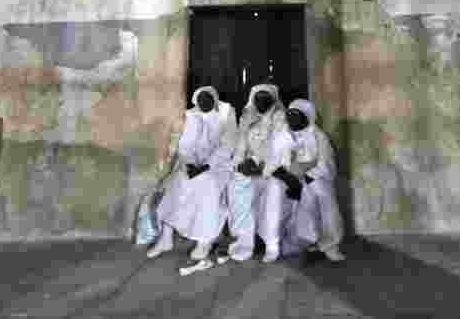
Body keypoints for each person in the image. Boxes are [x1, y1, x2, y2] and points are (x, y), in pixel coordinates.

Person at [147, 86, 237, 261]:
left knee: (207, 184)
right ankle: (166, 237)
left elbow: (227, 145)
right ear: (196, 101)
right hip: (193, 163)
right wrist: (189, 164)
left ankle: (204, 240)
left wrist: (205, 166)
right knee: (177, 181)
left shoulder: (226, 113)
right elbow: (185, 145)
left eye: (209, 99)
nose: (205, 103)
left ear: (215, 100)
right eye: (201, 100)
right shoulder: (191, 116)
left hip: (218, 165)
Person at [260, 98, 345, 263]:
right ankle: (272, 245)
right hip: (285, 177)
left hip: (310, 177)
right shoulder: (280, 135)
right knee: (273, 191)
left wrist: (305, 177)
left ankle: (329, 245)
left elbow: (326, 164)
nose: (291, 119)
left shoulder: (318, 136)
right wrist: (288, 178)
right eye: (289, 115)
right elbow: (271, 164)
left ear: (308, 117)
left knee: (323, 193)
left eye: (296, 116)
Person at [226, 83, 288, 261]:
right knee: (236, 186)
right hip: (252, 167)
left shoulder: (281, 118)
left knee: (272, 193)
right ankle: (244, 242)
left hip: (275, 170)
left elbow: (281, 150)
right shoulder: (248, 117)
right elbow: (240, 147)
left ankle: (271, 244)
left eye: (265, 98)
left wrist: (262, 167)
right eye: (258, 98)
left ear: (274, 100)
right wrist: (240, 164)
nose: (261, 102)